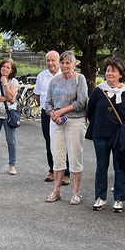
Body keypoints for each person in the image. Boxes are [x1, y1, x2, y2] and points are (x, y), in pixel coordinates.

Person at [86, 56, 125, 212]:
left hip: (120, 136)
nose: (109, 73)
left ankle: (119, 199)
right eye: (108, 70)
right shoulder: (98, 91)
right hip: (101, 134)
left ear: (121, 74)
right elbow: (90, 112)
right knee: (101, 166)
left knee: (119, 167)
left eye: (113, 71)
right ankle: (100, 197)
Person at [43, 50, 88, 205]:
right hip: (56, 122)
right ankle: (56, 190)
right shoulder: (54, 81)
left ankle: (76, 192)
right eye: (62, 62)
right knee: (57, 156)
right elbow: (47, 102)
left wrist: (61, 111)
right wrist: (53, 114)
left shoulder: (80, 79)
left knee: (75, 156)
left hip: (75, 121)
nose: (65, 65)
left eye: (68, 62)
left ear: (74, 64)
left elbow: (81, 102)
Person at [35, 50, 69, 184]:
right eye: (48, 60)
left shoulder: (65, 75)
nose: (50, 63)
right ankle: (52, 170)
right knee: (49, 142)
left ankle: (66, 173)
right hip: (47, 114)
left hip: (63, 114)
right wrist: (45, 108)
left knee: (64, 143)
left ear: (59, 61)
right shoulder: (41, 76)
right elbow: (38, 95)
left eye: (53, 60)